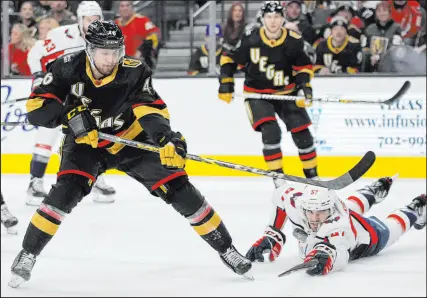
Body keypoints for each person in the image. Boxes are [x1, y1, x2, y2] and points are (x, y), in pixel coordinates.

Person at [8, 20, 252, 289]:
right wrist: (70, 116)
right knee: (63, 195)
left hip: (131, 140)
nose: (111, 58)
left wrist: (165, 139)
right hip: (85, 145)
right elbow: (36, 109)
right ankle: (28, 252)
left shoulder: (135, 71)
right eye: (104, 52)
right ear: (89, 49)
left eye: (115, 51)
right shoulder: (66, 66)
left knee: (179, 188)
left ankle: (226, 248)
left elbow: (150, 111)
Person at [218, 1, 318, 189]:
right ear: (263, 19)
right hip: (257, 94)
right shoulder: (251, 39)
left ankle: (313, 178)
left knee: (302, 133)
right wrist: (226, 82)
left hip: (287, 92)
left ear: (283, 19)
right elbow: (229, 57)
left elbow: (303, 67)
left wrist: (306, 87)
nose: (273, 21)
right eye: (269, 17)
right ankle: (279, 180)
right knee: (271, 132)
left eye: (277, 17)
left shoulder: (293, 40)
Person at [26, 1, 116, 206]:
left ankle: (97, 179)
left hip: (86, 97)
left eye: (96, 19)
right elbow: (36, 53)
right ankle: (35, 183)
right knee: (46, 135)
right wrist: (39, 78)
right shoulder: (61, 35)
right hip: (60, 93)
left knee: (93, 137)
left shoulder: (107, 39)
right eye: (88, 19)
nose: (92, 23)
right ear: (79, 19)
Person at [245, 176, 426, 276]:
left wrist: (329, 258)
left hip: (364, 236)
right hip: (343, 212)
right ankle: (372, 191)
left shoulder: (339, 227)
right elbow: (280, 199)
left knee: (391, 228)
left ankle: (414, 209)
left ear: (330, 210)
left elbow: (342, 256)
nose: (315, 218)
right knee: (350, 204)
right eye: (311, 212)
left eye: (320, 212)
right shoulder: (298, 202)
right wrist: (272, 235)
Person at [115, 1, 161, 70]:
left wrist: (142, 52)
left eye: (127, 5)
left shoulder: (142, 21)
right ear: (119, 9)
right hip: (120, 68)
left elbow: (155, 36)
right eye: (122, 6)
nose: (125, 8)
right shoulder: (114, 24)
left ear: (132, 7)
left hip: (140, 66)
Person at [363, 1, 403, 72]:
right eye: (379, 11)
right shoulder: (369, 29)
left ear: (390, 13)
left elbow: (395, 48)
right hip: (371, 59)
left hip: (389, 61)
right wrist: (371, 56)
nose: (382, 13)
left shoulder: (396, 28)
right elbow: (365, 47)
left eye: (384, 10)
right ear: (376, 13)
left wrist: (380, 57)